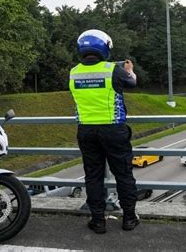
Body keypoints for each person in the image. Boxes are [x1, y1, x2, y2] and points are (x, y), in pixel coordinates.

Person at [69, 29, 139, 234]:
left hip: (86, 132)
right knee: (123, 174)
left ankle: (98, 221)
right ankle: (129, 218)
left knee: (93, 176)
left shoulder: (73, 72)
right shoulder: (112, 70)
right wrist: (130, 70)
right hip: (113, 130)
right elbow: (132, 82)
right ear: (103, 47)